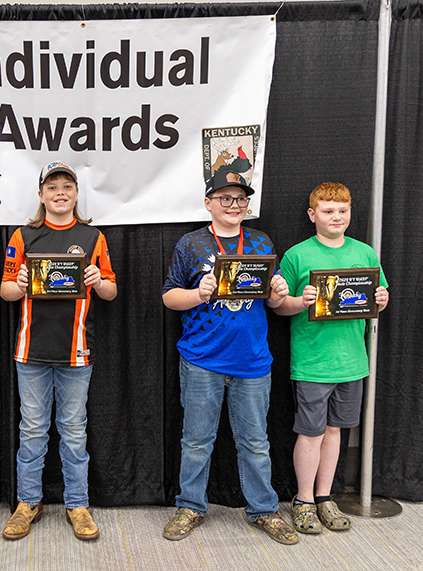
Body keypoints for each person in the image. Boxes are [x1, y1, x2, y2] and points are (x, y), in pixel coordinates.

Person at [161, 170, 298, 545]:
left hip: (252, 361)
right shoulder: (190, 245)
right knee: (196, 441)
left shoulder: (260, 241)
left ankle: (264, 510)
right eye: (225, 198)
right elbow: (169, 296)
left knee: (255, 443)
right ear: (209, 203)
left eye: (240, 199)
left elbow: (275, 302)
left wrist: (278, 291)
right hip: (201, 359)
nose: (234, 205)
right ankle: (189, 505)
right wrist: (198, 294)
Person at [0, 160, 117, 541]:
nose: (60, 192)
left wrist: (99, 281)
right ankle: (26, 503)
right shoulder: (22, 235)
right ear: (41, 195)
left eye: (67, 186)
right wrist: (19, 283)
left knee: (74, 432)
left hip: (76, 353)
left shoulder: (93, 237)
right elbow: (5, 291)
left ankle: (77, 504)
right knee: (32, 431)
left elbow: (112, 291)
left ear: (77, 194)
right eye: (52, 187)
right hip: (30, 351)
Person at [273, 182, 388, 534]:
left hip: (352, 361)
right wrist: (300, 301)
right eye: (327, 211)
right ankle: (304, 500)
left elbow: (377, 299)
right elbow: (278, 305)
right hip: (312, 362)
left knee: (335, 430)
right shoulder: (297, 255)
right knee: (310, 432)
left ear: (350, 213)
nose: (336, 217)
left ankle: (324, 497)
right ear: (313, 215)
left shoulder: (365, 253)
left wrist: (382, 299)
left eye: (342, 211)